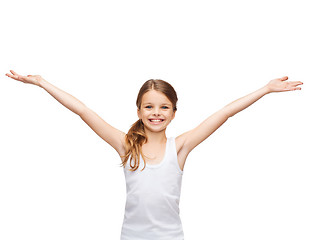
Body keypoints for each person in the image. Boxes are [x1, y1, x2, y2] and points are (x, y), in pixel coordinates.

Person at [5, 70, 303, 239]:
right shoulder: (126, 145)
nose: (156, 113)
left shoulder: (181, 147)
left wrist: (265, 89)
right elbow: (83, 111)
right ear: (139, 111)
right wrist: (42, 83)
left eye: (163, 107)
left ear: (173, 113)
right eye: (149, 106)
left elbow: (224, 113)